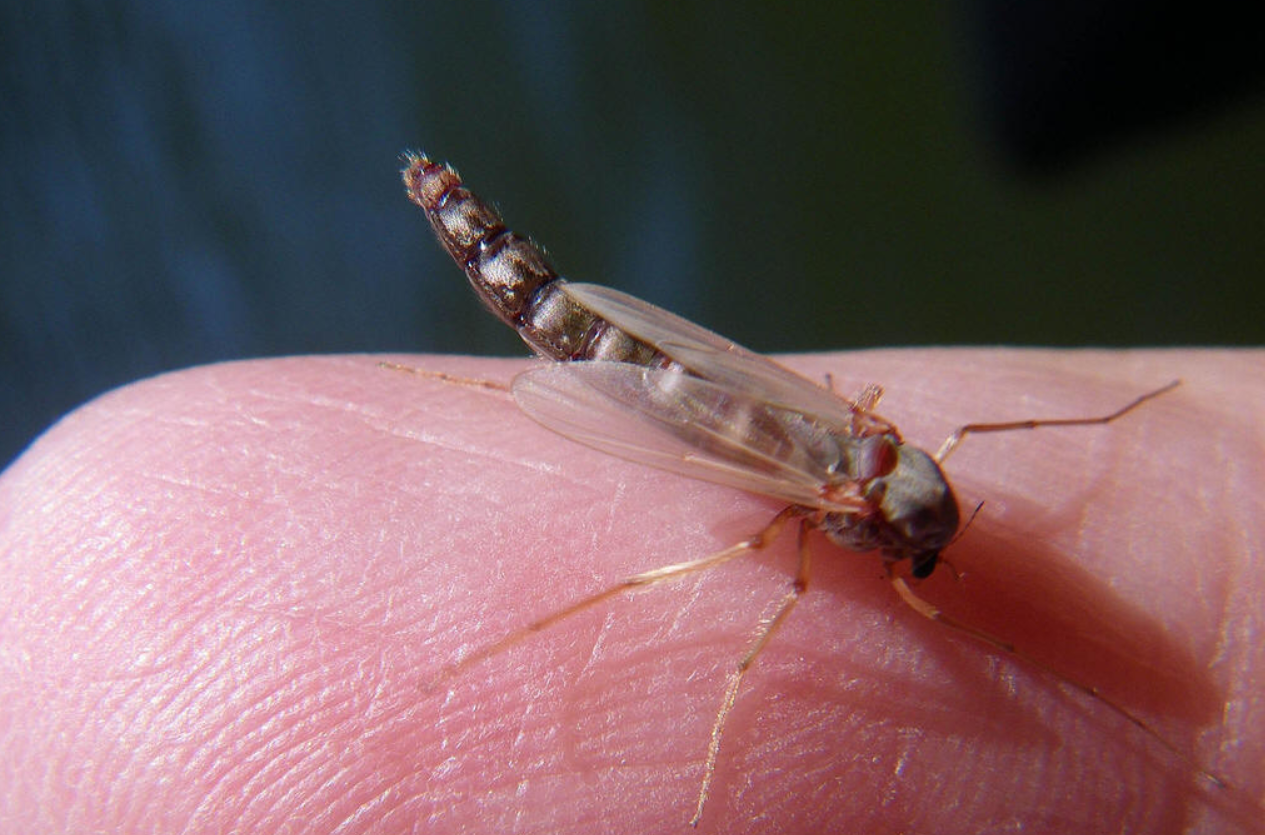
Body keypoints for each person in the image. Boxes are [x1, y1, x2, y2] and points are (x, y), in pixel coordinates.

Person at [1, 350, 1259, 832]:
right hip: (693, 410)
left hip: (716, 389)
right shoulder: (857, 516)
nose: (923, 566)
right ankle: (533, 617)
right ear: (882, 513)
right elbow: (894, 571)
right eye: (918, 543)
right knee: (750, 605)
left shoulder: (885, 454)